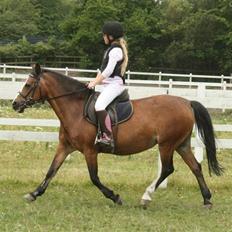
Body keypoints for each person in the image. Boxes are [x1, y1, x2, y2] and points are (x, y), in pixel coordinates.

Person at [87, 21, 128, 147]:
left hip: (115, 84)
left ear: (110, 36)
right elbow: (102, 71)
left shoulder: (116, 50)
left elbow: (109, 71)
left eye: (104, 35)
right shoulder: (110, 50)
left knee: (99, 106)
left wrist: (95, 83)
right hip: (108, 84)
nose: (103, 37)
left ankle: (107, 136)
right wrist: (93, 81)